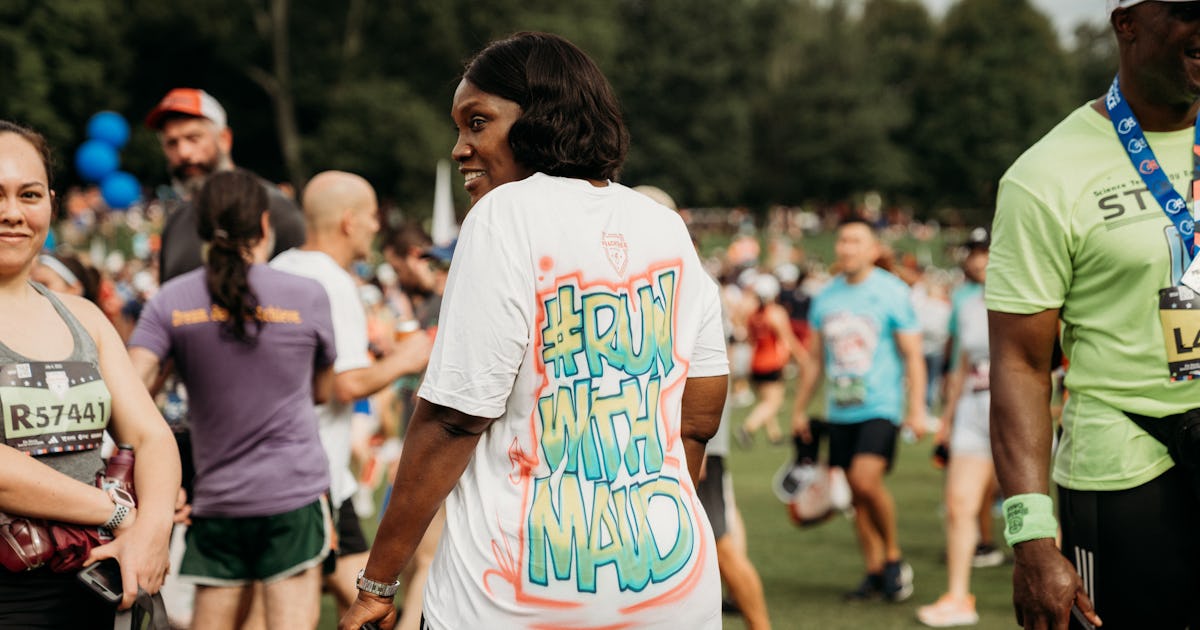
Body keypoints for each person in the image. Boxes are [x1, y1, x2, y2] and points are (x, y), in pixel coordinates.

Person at [340, 31, 729, 630]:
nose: (460, 149)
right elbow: (698, 416)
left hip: (514, 597)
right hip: (670, 585)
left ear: (542, 118)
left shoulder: (503, 214)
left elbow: (453, 419)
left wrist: (377, 583)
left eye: (477, 123)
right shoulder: (665, 226)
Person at [987, 2, 1200, 627]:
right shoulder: (1044, 175)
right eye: (1188, 9)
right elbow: (1020, 363)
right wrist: (1031, 536)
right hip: (1127, 467)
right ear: (1126, 23)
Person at [128, 169, 337, 629]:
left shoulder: (171, 301)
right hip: (293, 493)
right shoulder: (308, 295)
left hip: (218, 498)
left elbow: (130, 392)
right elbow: (323, 391)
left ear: (201, 228)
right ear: (264, 224)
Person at [0, 120, 180, 627]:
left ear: (52, 203)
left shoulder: (83, 317)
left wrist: (152, 531)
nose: (12, 212)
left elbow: (151, 436)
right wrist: (117, 511)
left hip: (94, 585)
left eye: (29, 194)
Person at [269, 171, 432, 617]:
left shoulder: (279, 267)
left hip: (280, 470)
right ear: (348, 221)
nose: (376, 227)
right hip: (318, 476)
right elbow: (346, 383)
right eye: (372, 217)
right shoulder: (334, 283)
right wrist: (407, 358)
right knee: (369, 608)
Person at [790, 216, 927, 603]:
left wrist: (917, 408)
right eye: (842, 240)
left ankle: (894, 557)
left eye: (855, 241)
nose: (847, 247)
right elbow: (814, 361)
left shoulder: (892, 291)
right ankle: (874, 571)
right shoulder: (826, 296)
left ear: (873, 249)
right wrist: (799, 409)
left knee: (865, 481)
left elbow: (913, 355)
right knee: (853, 495)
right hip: (839, 411)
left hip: (880, 406)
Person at [144, 87, 305, 283]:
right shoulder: (176, 222)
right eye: (172, 143)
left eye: (193, 138)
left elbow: (302, 290)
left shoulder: (272, 206)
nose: (184, 152)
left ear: (224, 139)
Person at [918, 231, 993, 627]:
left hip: (1017, 410)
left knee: (1037, 508)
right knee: (958, 503)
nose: (979, 260)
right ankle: (959, 597)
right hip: (972, 407)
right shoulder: (967, 303)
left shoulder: (1030, 295)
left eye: (987, 253)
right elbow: (962, 366)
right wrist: (946, 421)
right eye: (975, 253)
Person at [738, 271, 806, 446]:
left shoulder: (753, 315)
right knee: (773, 402)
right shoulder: (775, 313)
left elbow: (750, 339)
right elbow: (788, 339)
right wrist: (802, 358)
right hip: (772, 362)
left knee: (766, 400)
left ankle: (774, 435)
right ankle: (748, 427)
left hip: (755, 362)